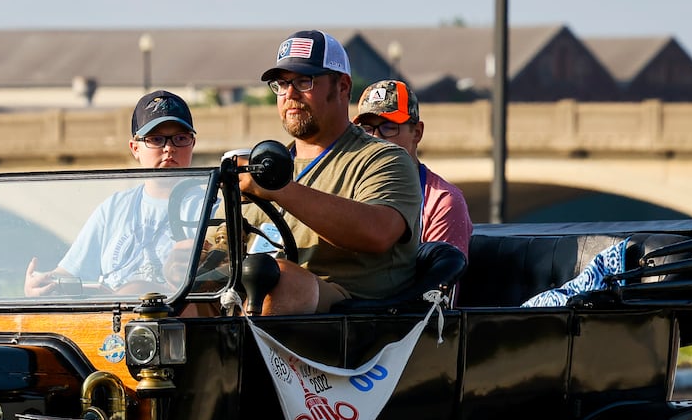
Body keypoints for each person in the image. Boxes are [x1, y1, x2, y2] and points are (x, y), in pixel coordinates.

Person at [239, 30, 422, 315]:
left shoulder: (384, 160)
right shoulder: (268, 164)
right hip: (255, 296)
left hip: (352, 321)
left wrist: (280, 189)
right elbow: (219, 246)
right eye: (281, 84)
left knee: (279, 279)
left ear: (342, 87)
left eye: (303, 81)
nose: (290, 94)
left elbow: (377, 232)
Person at [25, 90, 198, 297]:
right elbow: (69, 273)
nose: (169, 148)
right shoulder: (114, 207)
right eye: (155, 139)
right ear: (135, 148)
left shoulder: (212, 207)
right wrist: (40, 285)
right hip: (110, 323)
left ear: (193, 144)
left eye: (180, 138)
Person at [354, 80, 473, 260]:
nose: (376, 138)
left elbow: (440, 284)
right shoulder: (347, 190)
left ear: (417, 132)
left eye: (389, 127)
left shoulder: (441, 201)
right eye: (367, 129)